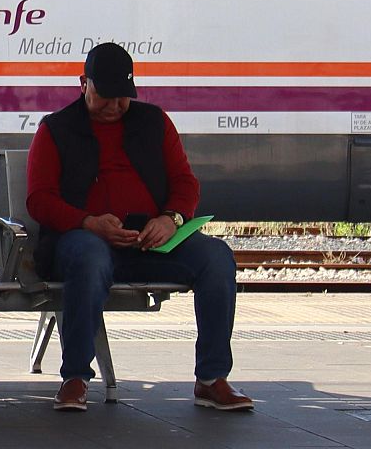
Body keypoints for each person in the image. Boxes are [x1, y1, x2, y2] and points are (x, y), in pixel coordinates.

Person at [26, 42, 252, 413]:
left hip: (150, 243)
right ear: (83, 83)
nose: (114, 106)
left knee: (216, 258)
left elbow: (185, 183)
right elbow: (40, 200)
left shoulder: (155, 122)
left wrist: (171, 218)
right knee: (89, 259)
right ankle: (75, 377)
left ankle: (212, 379)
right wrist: (88, 222)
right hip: (84, 241)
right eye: (105, 97)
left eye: (123, 98)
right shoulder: (56, 129)